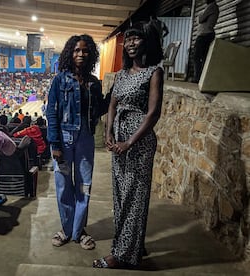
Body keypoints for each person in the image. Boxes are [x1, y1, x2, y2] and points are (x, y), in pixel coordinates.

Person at [93, 21, 164, 269]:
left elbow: (153, 113)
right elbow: (112, 104)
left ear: (147, 42)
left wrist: (129, 142)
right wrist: (110, 131)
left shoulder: (154, 72)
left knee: (135, 197)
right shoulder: (122, 74)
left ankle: (122, 255)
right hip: (119, 143)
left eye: (136, 38)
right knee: (122, 196)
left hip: (139, 143)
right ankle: (133, 243)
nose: (131, 43)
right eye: (129, 39)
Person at [46, 34, 109, 250]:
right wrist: (54, 144)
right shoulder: (59, 80)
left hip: (85, 139)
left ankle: (79, 230)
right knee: (63, 186)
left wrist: (111, 98)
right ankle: (66, 228)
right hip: (63, 138)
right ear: (69, 54)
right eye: (76, 50)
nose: (80, 54)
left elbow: (99, 109)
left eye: (84, 51)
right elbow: (51, 113)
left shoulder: (93, 82)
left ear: (90, 54)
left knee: (84, 185)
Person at [193, 0, 219, 83]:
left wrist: (199, 16)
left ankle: (198, 78)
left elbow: (200, 19)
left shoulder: (211, 6)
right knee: (204, 57)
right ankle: (203, 78)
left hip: (205, 34)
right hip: (207, 34)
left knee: (196, 56)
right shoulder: (212, 7)